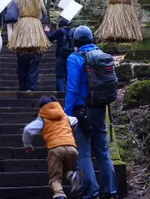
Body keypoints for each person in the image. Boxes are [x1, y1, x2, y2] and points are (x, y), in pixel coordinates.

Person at [64, 26, 118, 199]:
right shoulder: (101, 55)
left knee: (84, 153)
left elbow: (72, 88)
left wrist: (67, 112)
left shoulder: (74, 58)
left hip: (81, 110)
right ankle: (110, 191)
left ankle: (91, 192)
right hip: (99, 107)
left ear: (75, 41)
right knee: (103, 151)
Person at [22, 95, 80, 199]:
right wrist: (70, 132)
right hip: (72, 148)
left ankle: (59, 195)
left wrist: (27, 144)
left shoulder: (43, 119)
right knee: (66, 170)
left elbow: (27, 130)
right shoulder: (65, 117)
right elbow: (75, 120)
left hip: (55, 149)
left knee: (55, 178)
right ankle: (72, 176)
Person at [45, 18, 74, 92]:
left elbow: (49, 38)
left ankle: (61, 92)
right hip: (70, 56)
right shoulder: (72, 32)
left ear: (60, 25)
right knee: (69, 75)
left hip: (60, 56)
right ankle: (68, 92)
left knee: (59, 76)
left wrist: (46, 32)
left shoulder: (60, 31)